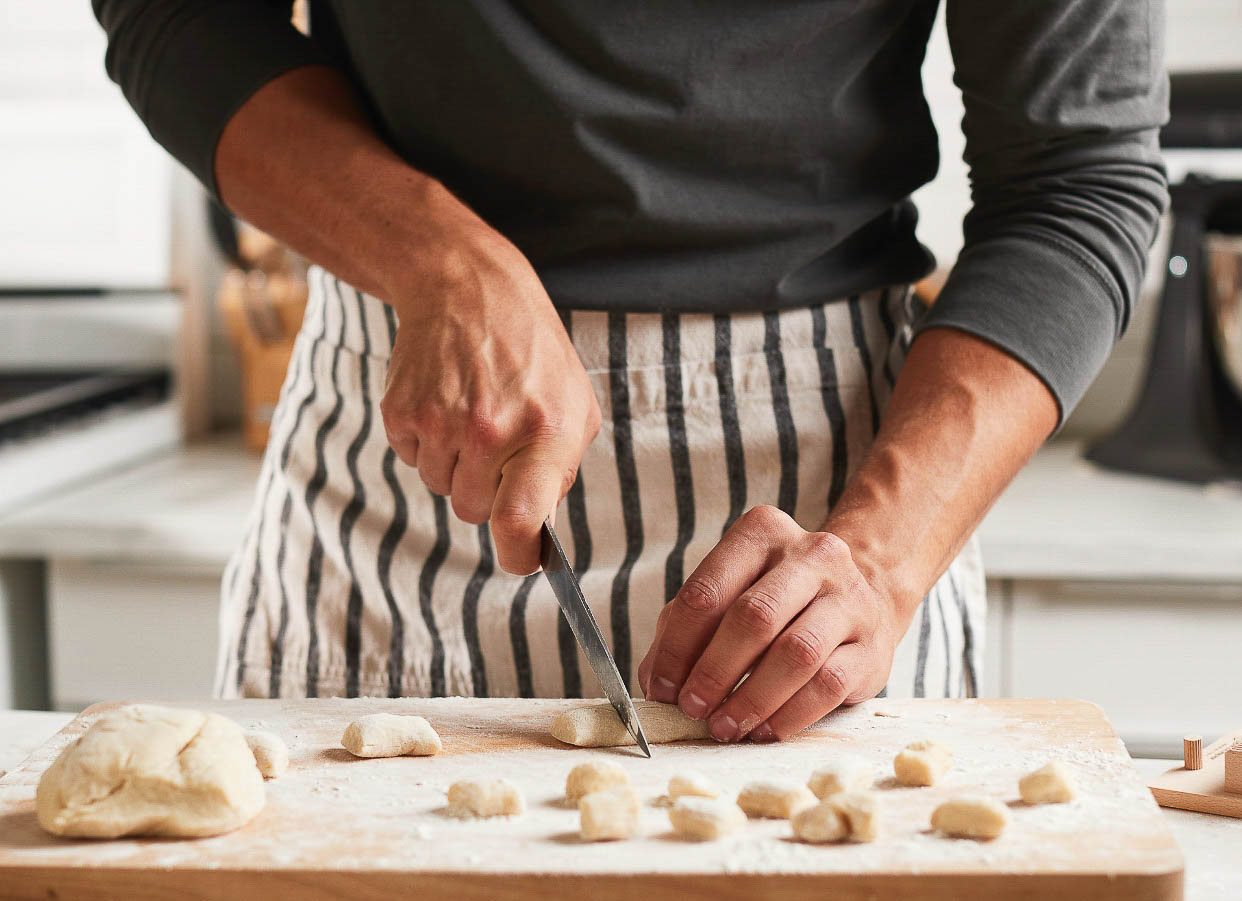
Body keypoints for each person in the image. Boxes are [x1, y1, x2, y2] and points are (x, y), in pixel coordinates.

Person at [93, 0, 1167, 741]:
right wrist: (441, 264)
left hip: (825, 505)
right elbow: (178, 17)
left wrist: (878, 566)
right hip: (395, 467)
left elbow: (1082, 181)